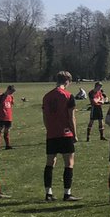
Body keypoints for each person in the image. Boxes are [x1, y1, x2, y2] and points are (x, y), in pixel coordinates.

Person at [42, 71, 79, 201]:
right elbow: (71, 117)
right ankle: (67, 193)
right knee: (69, 163)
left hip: (51, 134)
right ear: (67, 81)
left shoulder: (46, 96)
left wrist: (49, 129)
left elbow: (45, 116)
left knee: (50, 162)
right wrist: (75, 134)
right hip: (65, 133)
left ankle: (48, 193)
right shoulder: (68, 96)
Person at [0, 85, 16, 150]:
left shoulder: (11, 97)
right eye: (11, 91)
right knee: (0, 129)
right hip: (2, 116)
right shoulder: (0, 97)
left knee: (7, 130)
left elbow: (11, 105)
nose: (11, 93)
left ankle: (7, 145)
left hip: (9, 116)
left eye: (13, 92)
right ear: (8, 89)